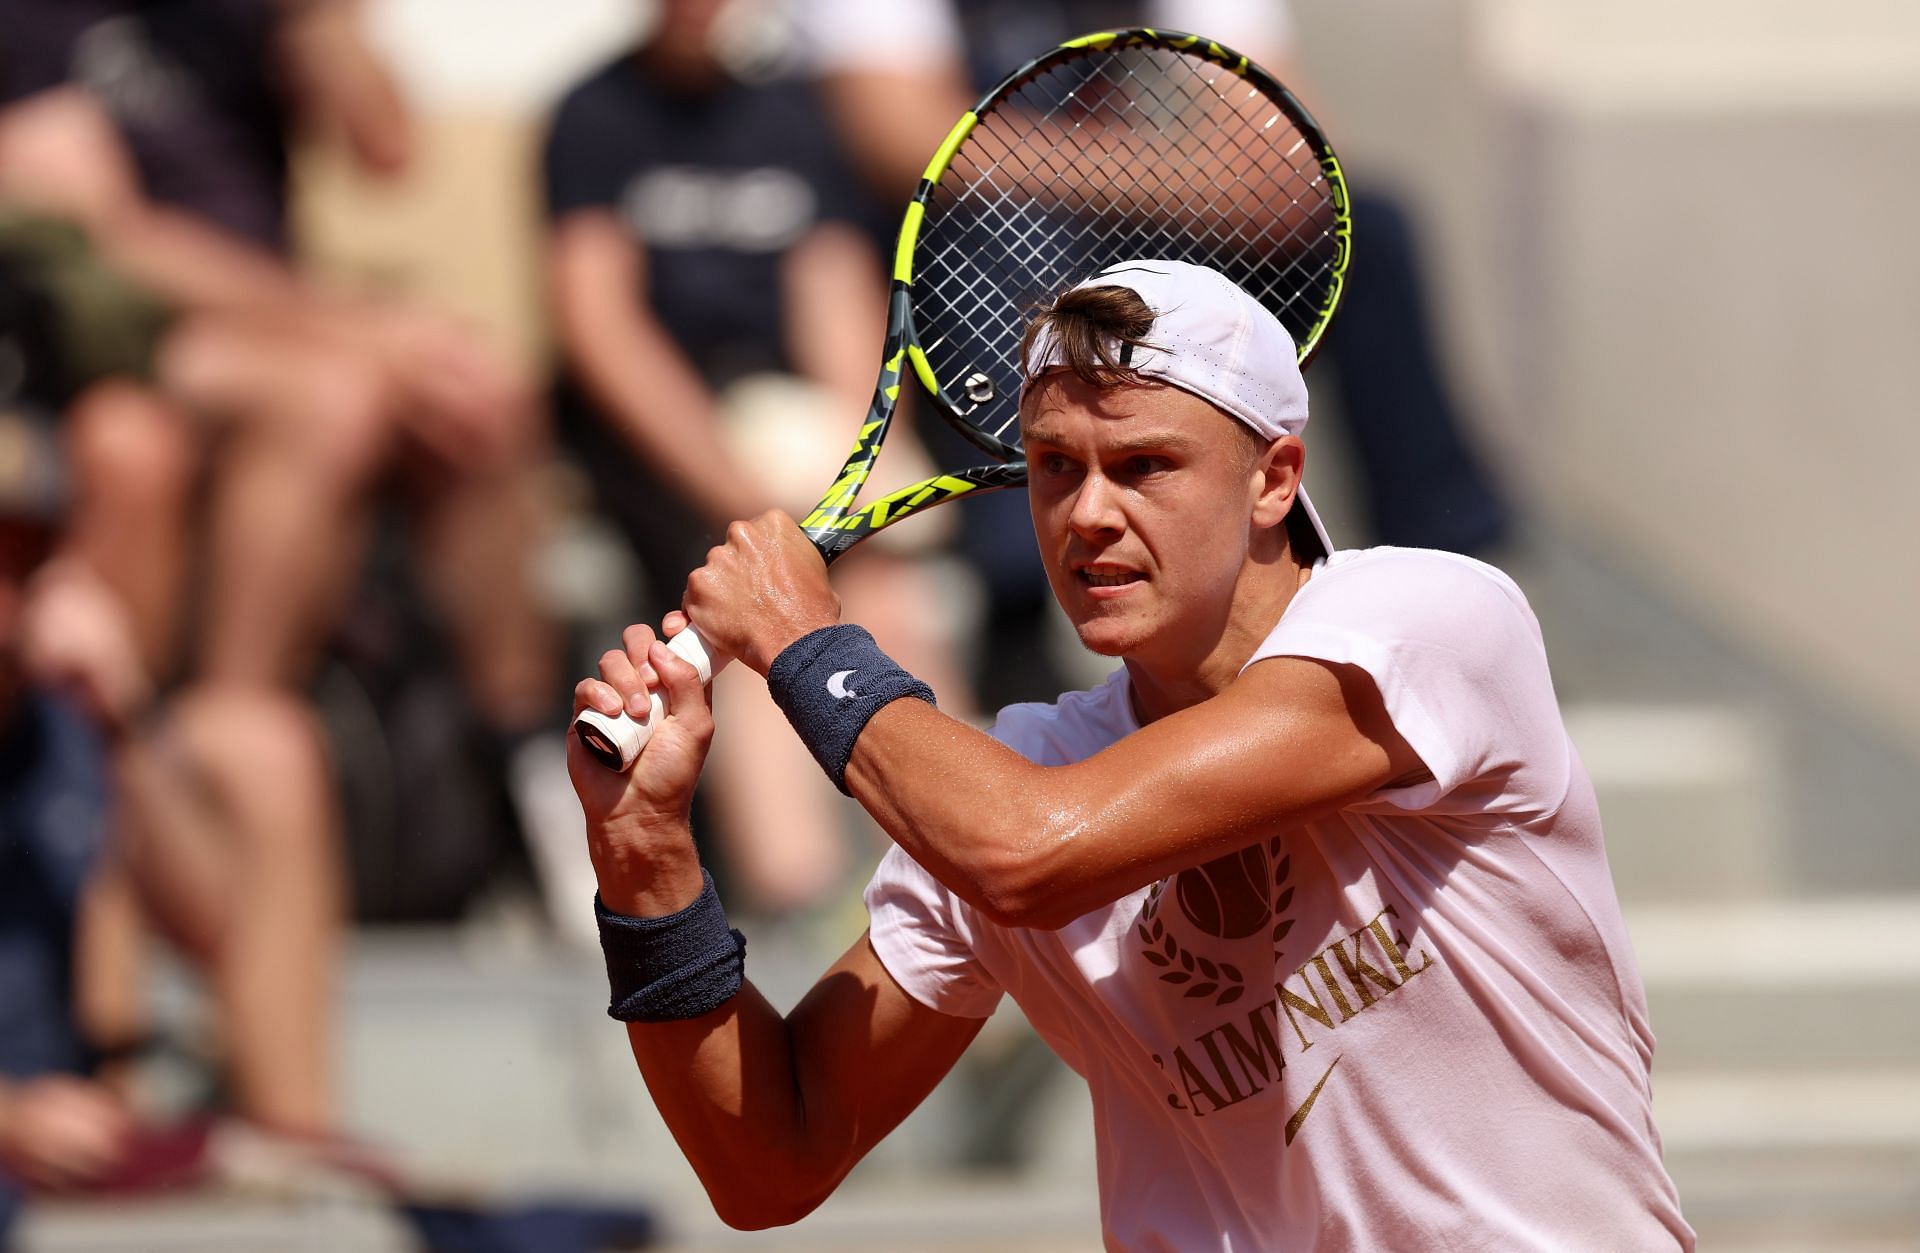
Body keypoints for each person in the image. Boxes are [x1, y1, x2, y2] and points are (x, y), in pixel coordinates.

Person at [568, 259, 1693, 1247]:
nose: (1087, 514)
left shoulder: (1431, 620)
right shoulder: (1012, 770)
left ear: (1274, 477)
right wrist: (645, 854)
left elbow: (1027, 850)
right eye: (1055, 465)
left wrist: (810, 645)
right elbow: (773, 1161)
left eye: (1144, 465)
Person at [544, 0, 968, 916]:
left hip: (783, 422)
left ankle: (955, 877)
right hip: (655, 444)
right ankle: (800, 895)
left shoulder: (792, 112)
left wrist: (868, 462)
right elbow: (601, 328)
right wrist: (747, 500)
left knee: (890, 587)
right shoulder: (593, 114)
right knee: (743, 598)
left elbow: (830, 293)